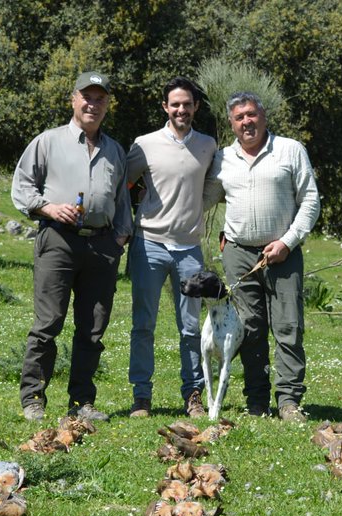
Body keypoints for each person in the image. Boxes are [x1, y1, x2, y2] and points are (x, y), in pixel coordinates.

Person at [11, 71, 132, 423]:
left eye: (100, 98)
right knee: (48, 323)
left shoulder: (115, 150)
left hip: (102, 246)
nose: (93, 104)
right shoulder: (48, 142)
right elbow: (22, 187)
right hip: (58, 242)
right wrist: (48, 207)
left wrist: (120, 238)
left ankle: (82, 403)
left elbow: (122, 201)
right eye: (87, 97)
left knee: (92, 330)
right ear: (73, 99)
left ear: (107, 104)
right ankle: (33, 398)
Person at [203, 91, 320, 422]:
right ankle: (256, 400)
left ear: (264, 116)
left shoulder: (289, 150)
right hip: (239, 254)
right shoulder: (223, 159)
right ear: (231, 123)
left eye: (251, 114)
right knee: (250, 329)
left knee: (288, 326)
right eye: (239, 117)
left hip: (283, 253)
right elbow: (204, 200)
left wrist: (287, 241)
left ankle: (288, 401)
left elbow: (310, 201)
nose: (246, 122)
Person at [125, 77, 216, 419]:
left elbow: (212, 185)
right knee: (143, 324)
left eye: (187, 104)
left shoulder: (207, 145)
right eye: (175, 104)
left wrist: (195, 209)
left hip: (189, 248)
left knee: (191, 327)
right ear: (165, 107)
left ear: (196, 107)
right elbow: (125, 183)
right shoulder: (144, 144)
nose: (181, 109)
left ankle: (193, 395)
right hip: (149, 244)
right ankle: (141, 398)